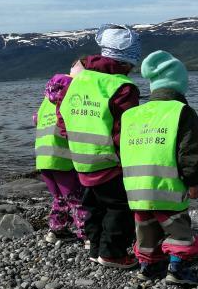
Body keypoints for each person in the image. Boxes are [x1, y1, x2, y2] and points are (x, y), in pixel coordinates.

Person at [120, 50, 198, 286]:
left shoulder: (132, 114)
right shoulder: (181, 112)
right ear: (180, 84)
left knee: (145, 229)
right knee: (179, 230)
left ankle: (148, 267)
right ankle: (177, 269)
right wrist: (192, 181)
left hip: (136, 189)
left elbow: (124, 151)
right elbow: (189, 152)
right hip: (167, 187)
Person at [60, 24, 141, 268]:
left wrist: (73, 138)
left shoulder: (79, 80)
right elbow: (127, 128)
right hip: (108, 160)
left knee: (93, 206)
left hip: (80, 157)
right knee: (119, 207)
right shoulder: (122, 87)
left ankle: (96, 249)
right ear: (126, 63)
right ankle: (112, 253)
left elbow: (62, 117)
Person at [34, 73, 88, 244]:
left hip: (43, 159)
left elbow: (35, 120)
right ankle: (88, 235)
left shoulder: (44, 103)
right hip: (61, 159)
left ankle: (56, 231)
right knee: (76, 198)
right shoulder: (67, 103)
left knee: (60, 197)